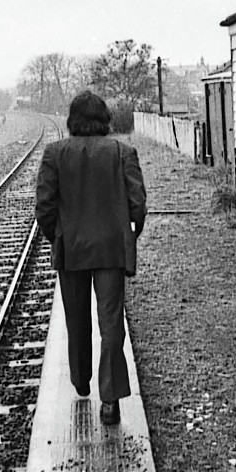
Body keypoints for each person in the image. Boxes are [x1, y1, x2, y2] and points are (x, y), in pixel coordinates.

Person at [35, 91, 147, 426]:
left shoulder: (55, 153)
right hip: (110, 249)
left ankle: (81, 380)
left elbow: (44, 207)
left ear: (72, 120)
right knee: (111, 324)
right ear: (104, 119)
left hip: (72, 249)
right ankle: (110, 398)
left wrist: (58, 235)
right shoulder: (122, 152)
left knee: (77, 319)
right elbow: (137, 204)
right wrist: (129, 234)